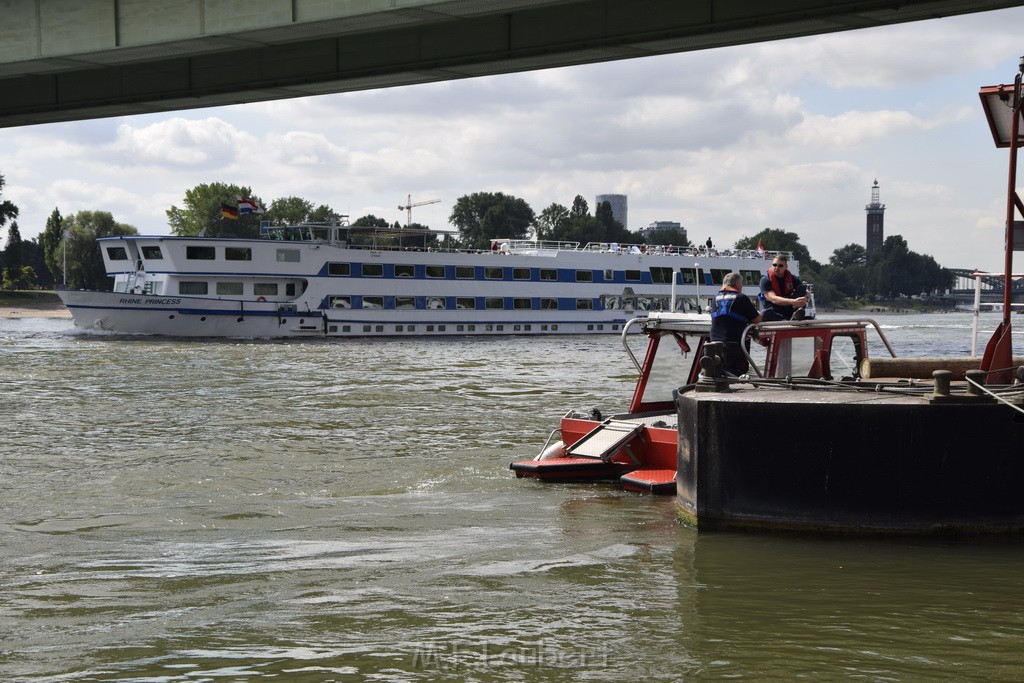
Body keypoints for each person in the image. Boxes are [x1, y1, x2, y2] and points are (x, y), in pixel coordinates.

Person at [710, 272, 761, 376]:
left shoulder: (715, 298)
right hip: (733, 345)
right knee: (735, 374)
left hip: (713, 345)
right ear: (738, 284)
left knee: (718, 372)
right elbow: (757, 320)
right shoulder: (741, 298)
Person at [759, 254, 808, 321]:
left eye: (780, 265)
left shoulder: (793, 278)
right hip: (774, 309)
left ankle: (795, 315)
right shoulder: (765, 280)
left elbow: (805, 292)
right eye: (774, 265)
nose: (776, 268)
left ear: (786, 267)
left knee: (802, 289)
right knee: (764, 314)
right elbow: (773, 299)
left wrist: (806, 298)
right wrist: (793, 301)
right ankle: (789, 320)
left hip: (790, 308)